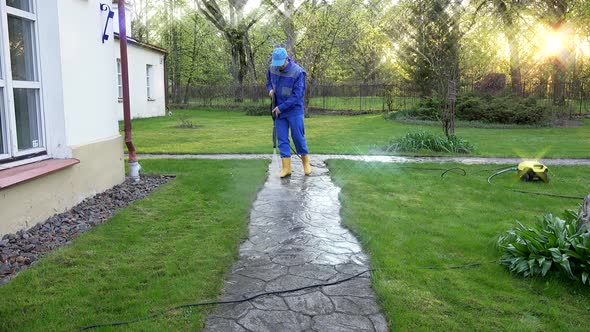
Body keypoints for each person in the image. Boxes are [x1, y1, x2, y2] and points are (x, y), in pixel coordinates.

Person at [266, 47, 312, 178]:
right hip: (279, 111)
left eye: (280, 63)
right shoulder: (272, 68)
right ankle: (286, 168)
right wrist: (270, 89)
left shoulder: (298, 73)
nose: (278, 67)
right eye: (276, 63)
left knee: (298, 137)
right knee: (282, 139)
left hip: (294, 110)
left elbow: (298, 95)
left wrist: (282, 107)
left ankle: (306, 164)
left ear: (287, 59)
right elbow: (268, 82)